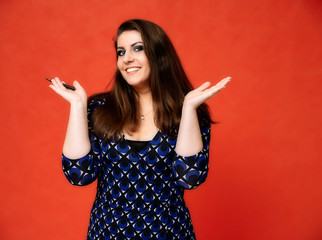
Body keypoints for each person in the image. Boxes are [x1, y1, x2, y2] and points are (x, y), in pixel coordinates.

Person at [49, 19, 230, 240]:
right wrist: (78, 106)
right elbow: (79, 175)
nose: (127, 58)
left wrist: (189, 108)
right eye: (121, 51)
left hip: (170, 234)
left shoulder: (189, 112)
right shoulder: (99, 109)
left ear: (159, 54)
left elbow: (188, 178)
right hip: (107, 233)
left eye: (138, 48)